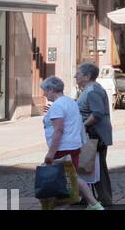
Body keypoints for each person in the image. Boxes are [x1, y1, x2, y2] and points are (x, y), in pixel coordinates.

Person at [41, 76, 100, 211]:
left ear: (51, 89)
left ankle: (93, 205)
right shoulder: (70, 102)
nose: (44, 94)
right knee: (73, 177)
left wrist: (51, 153)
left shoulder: (57, 106)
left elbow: (58, 130)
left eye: (45, 90)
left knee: (61, 179)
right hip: (74, 146)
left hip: (61, 148)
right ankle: (93, 204)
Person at [75, 61, 113, 208]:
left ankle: (104, 198)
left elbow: (97, 114)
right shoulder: (89, 89)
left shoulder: (93, 91)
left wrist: (83, 126)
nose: (75, 76)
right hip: (91, 135)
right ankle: (87, 197)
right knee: (87, 167)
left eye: (78, 74)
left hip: (94, 136)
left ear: (87, 76)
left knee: (97, 168)